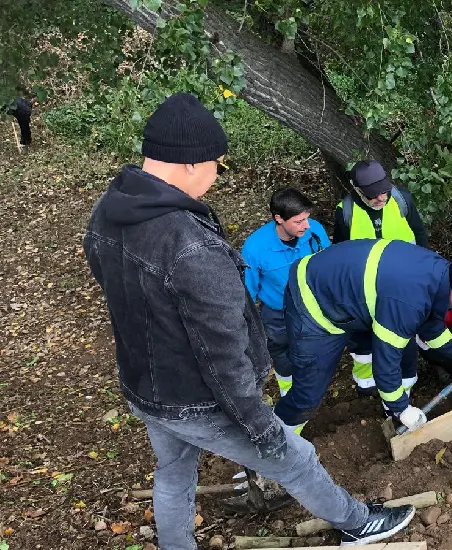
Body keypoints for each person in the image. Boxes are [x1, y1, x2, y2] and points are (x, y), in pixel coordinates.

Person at [82, 92, 415, 549]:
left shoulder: (106, 213)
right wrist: (260, 424)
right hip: (198, 400)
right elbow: (222, 353)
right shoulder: (190, 247)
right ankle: (358, 523)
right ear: (191, 163)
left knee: (173, 475)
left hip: (145, 386)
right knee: (296, 457)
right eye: (217, 163)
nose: (218, 174)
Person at [273, 239, 452, 434]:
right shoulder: (408, 302)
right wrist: (401, 408)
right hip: (313, 300)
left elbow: (431, 328)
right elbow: (387, 358)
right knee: (307, 395)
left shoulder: (439, 273)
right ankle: (272, 444)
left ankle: (368, 391)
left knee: (367, 350)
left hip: (344, 291)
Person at [333, 160, 430, 394]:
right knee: (364, 339)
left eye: (384, 191)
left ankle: (404, 385)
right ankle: (367, 383)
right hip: (365, 290)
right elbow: (341, 253)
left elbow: (419, 235)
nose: (381, 198)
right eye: (373, 195)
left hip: (403, 284)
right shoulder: (345, 211)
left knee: (402, 335)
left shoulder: (401, 200)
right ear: (356, 190)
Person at [241, 188, 329, 397]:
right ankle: (289, 393)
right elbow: (247, 291)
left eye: (306, 218)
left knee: (314, 347)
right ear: (278, 218)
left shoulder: (314, 231)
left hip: (312, 306)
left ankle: (314, 386)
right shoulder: (255, 248)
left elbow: (329, 264)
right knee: (282, 354)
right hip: (277, 313)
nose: (306, 225)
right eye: (299, 222)